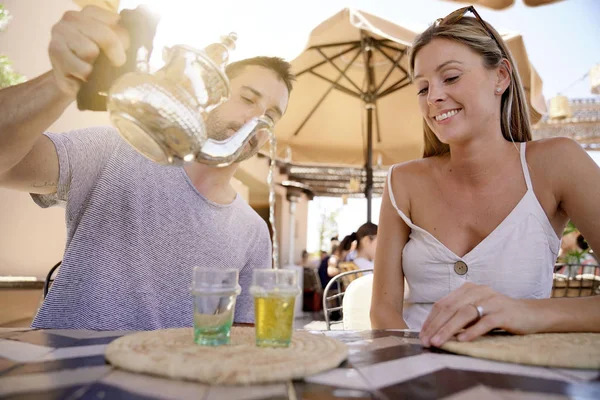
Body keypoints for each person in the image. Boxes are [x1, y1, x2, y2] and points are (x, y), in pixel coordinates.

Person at [0, 6, 294, 330]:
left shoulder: (253, 231)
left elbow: (242, 339)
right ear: (212, 95)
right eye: (248, 99)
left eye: (272, 116)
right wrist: (62, 82)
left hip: (172, 377)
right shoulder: (115, 150)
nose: (258, 121)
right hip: (65, 369)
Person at [370, 6, 600, 346]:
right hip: (419, 375)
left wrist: (525, 313)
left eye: (450, 77)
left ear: (501, 77)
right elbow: (383, 313)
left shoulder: (558, 162)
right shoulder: (402, 182)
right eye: (422, 88)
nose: (433, 97)